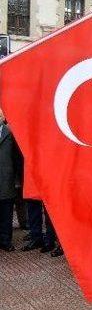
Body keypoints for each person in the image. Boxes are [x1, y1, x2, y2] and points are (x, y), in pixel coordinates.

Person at [0, 108, 22, 252]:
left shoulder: (9, 133)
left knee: (6, 212)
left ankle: (6, 241)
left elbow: (16, 158)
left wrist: (17, 178)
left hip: (6, 179)